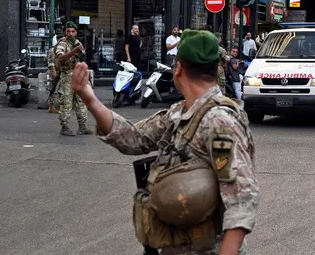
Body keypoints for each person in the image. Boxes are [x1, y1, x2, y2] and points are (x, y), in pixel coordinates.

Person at [69, 29, 260, 253]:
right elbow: (133, 138)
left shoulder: (219, 121)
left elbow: (242, 196)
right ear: (216, 69)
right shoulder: (179, 113)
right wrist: (89, 98)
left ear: (178, 69)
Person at [55, 22, 91, 137]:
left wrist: (80, 52)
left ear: (76, 32)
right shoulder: (62, 43)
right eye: (68, 31)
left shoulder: (77, 43)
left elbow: (84, 56)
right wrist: (73, 52)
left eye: (73, 31)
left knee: (81, 102)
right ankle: (64, 127)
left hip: (78, 76)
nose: (70, 34)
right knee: (66, 102)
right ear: (65, 32)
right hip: (67, 76)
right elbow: (60, 58)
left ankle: (82, 126)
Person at [47, 34, 61, 113]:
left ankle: (53, 106)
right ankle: (54, 106)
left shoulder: (58, 49)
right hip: (55, 71)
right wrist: (54, 73)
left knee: (55, 90)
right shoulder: (53, 50)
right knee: (54, 90)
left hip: (59, 71)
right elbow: (51, 63)